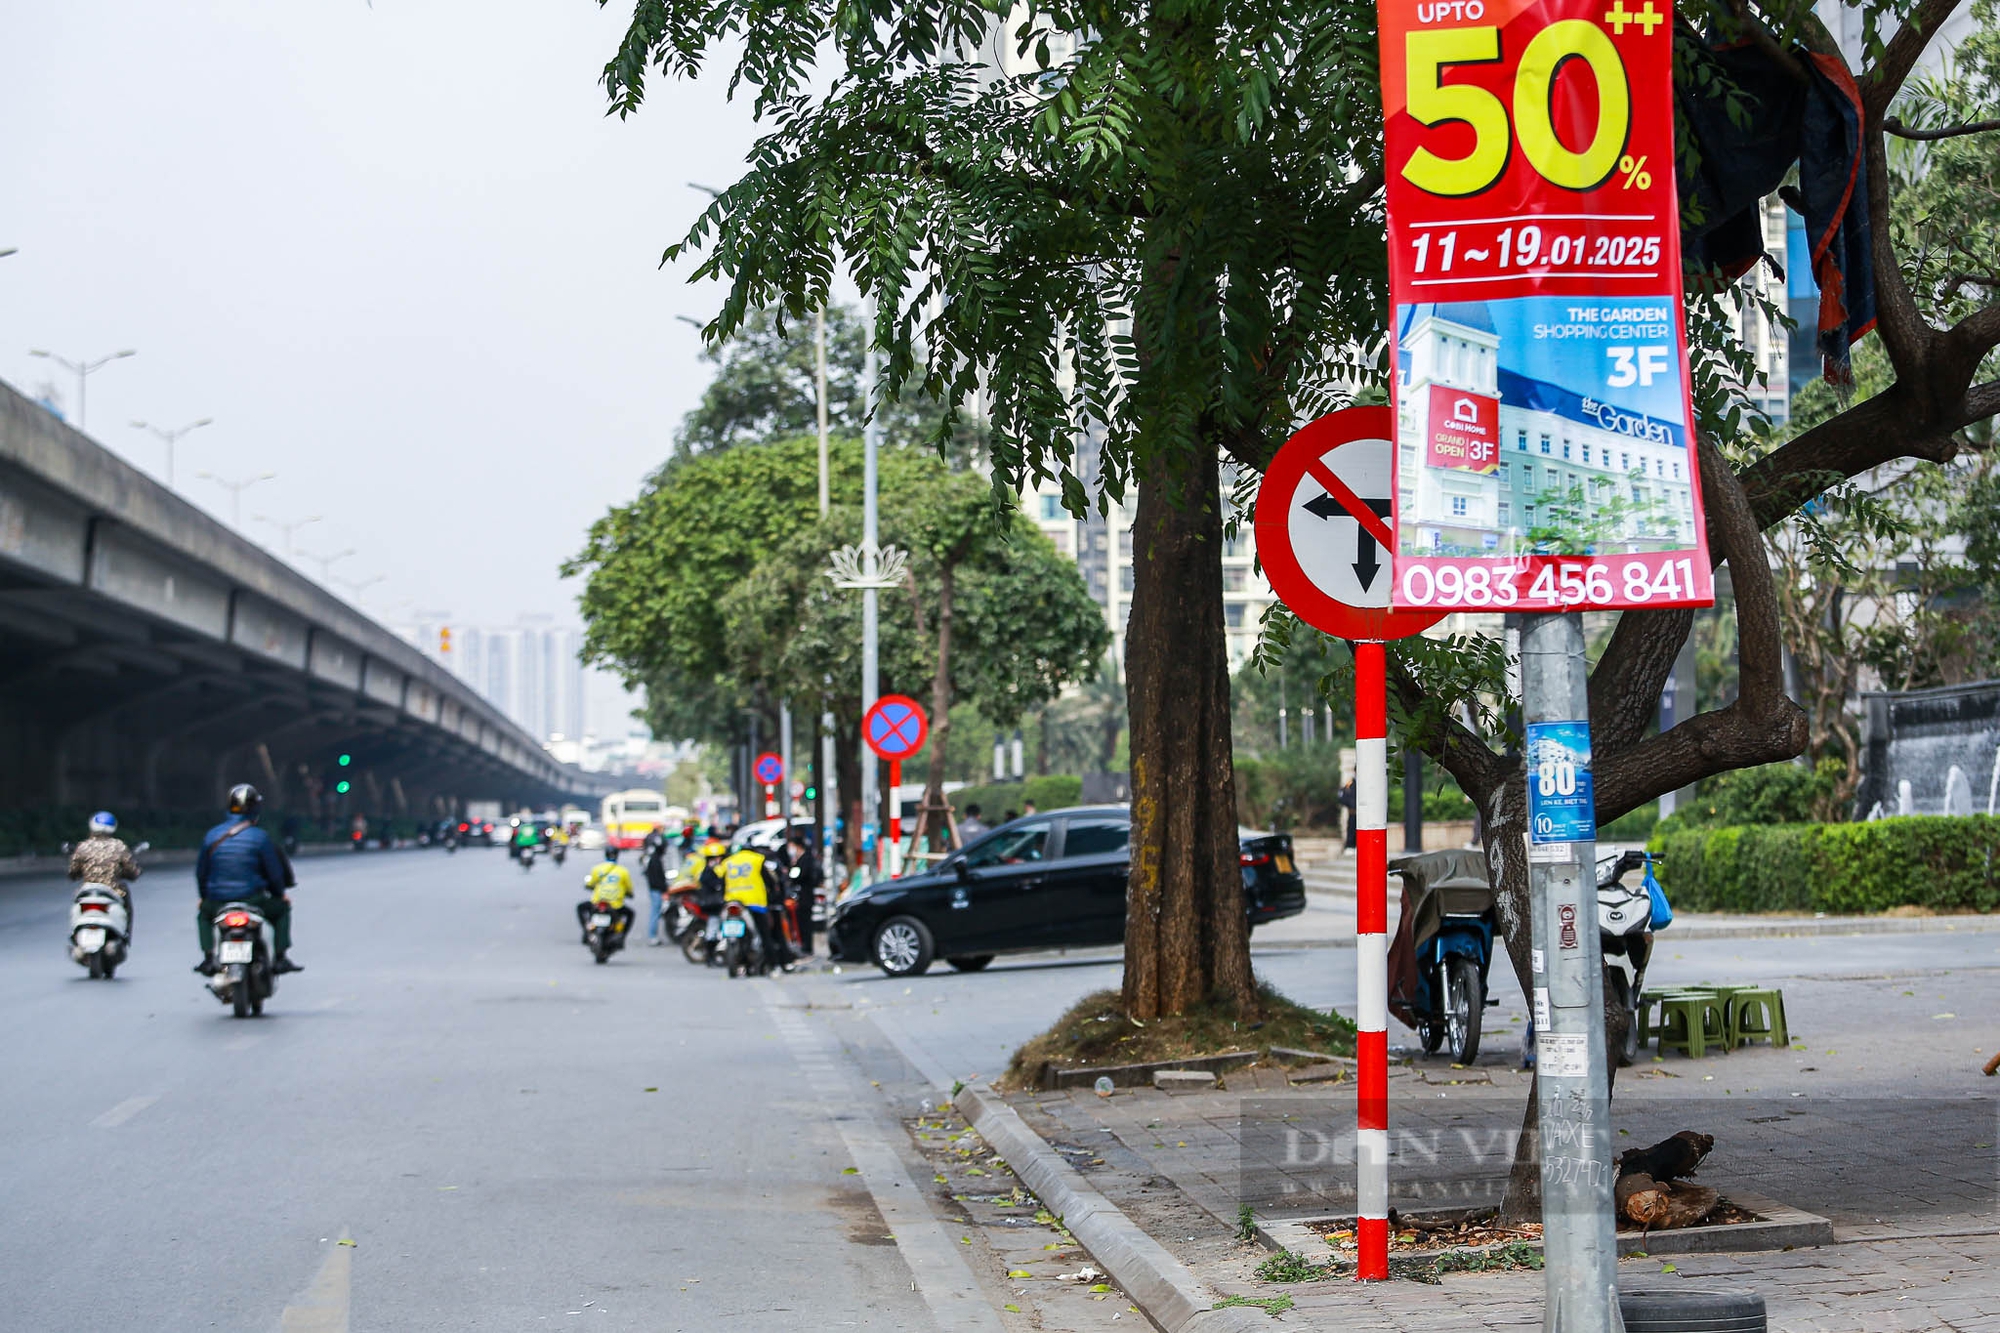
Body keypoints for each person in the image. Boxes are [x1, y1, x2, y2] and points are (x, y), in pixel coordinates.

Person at [194, 784, 300, 975]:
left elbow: (201, 873)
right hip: (252, 899)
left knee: (203, 915)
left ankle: (208, 957)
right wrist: (280, 894)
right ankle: (281, 957)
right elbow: (275, 874)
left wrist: (204, 897)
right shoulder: (260, 837)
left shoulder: (212, 836)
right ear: (255, 809)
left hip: (218, 901)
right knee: (282, 910)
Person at [718, 841, 789, 970]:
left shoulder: (729, 861)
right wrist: (773, 895)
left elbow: (722, 883)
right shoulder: (757, 860)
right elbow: (770, 881)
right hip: (754, 902)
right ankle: (773, 965)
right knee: (764, 934)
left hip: (732, 901)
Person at [69, 811, 141, 933]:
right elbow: (133, 872)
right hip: (113, 890)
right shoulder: (118, 846)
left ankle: (75, 933)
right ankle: (125, 934)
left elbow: (73, 872)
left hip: (87, 890)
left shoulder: (83, 846)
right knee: (127, 906)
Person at [776, 828, 823, 957]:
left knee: (805, 922)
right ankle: (803, 945)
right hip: (800, 896)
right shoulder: (798, 860)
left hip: (805, 896)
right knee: (800, 922)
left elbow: (800, 875)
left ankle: (807, 947)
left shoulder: (806, 859)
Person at [577, 846, 637, 941]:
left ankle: (586, 930)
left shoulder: (597, 868)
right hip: (616, 905)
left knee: (580, 907)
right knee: (630, 914)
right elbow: (629, 888)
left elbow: (590, 883)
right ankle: (623, 936)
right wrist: (629, 894)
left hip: (597, 902)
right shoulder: (623, 871)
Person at [640, 826, 673, 944]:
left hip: (656, 889)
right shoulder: (654, 860)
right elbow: (656, 878)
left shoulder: (655, 858)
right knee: (655, 912)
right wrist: (664, 889)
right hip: (656, 890)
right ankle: (652, 936)